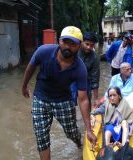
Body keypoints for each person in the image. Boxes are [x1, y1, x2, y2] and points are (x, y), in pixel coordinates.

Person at [21, 26, 97, 160]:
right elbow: (30, 67)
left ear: (79, 46)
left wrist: (89, 130)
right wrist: (24, 86)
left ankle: (79, 144)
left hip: (63, 100)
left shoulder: (80, 69)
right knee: (41, 137)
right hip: (40, 99)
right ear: (59, 40)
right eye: (65, 42)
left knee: (72, 132)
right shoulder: (43, 51)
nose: (68, 46)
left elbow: (83, 99)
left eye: (73, 44)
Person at [70, 32, 100, 107]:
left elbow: (95, 78)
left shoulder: (94, 57)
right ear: (82, 42)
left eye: (92, 45)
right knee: (70, 102)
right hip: (71, 79)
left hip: (86, 80)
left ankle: (88, 118)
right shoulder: (73, 51)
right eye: (87, 44)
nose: (89, 47)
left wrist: (96, 98)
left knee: (86, 103)